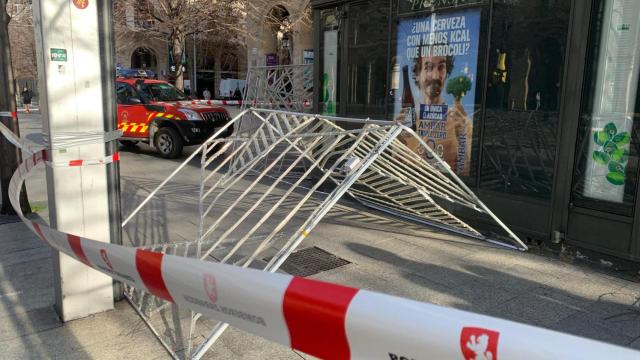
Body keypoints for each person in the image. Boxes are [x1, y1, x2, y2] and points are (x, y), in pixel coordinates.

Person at [398, 46, 473, 175]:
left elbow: (464, 173)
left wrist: (462, 137)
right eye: (428, 67)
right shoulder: (405, 119)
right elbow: (395, 168)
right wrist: (398, 138)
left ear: (447, 73)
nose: (435, 75)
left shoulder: (461, 122)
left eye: (441, 67)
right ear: (417, 74)